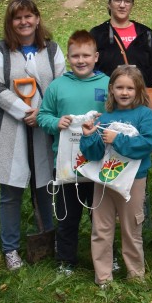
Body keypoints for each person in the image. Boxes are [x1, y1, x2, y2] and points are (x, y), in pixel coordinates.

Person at [0, 0, 63, 271]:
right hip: (10, 128)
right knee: (11, 190)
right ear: (11, 23)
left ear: (38, 19)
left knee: (45, 187)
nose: (24, 22)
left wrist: (41, 113)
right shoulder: (0, 50)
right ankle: (10, 249)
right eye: (18, 18)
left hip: (44, 128)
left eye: (29, 16)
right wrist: (24, 111)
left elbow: (60, 84)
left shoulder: (52, 49)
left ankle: (49, 240)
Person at [37, 29, 109, 276]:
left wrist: (106, 120)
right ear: (68, 58)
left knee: (101, 215)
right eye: (76, 56)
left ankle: (106, 257)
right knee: (67, 214)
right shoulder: (58, 87)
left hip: (99, 159)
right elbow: (43, 115)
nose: (81, 60)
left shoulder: (107, 83)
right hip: (67, 162)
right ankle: (66, 260)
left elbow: (117, 114)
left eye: (86, 55)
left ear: (96, 56)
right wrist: (56, 123)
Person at [80, 64, 152, 285]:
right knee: (101, 228)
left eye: (130, 88)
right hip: (104, 180)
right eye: (120, 87)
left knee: (131, 228)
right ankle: (103, 277)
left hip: (133, 180)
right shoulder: (105, 117)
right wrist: (88, 136)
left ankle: (135, 275)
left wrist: (118, 139)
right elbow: (94, 154)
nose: (124, 93)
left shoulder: (145, 115)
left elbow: (146, 144)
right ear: (111, 89)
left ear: (138, 90)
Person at [91, 0, 152, 88]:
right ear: (109, 4)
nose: (122, 5)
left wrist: (139, 83)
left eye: (127, 1)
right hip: (107, 95)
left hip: (140, 95)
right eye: (117, 0)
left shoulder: (145, 33)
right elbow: (90, 64)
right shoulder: (97, 33)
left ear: (132, 5)